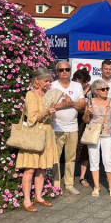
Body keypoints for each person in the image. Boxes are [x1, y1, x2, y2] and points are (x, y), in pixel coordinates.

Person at [15, 68, 58, 212]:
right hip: (33, 135)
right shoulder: (30, 95)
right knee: (30, 168)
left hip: (46, 133)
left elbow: (48, 118)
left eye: (49, 81)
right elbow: (32, 118)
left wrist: (52, 113)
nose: (48, 84)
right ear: (37, 81)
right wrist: (47, 111)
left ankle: (38, 197)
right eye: (46, 81)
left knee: (42, 167)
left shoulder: (46, 95)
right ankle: (26, 201)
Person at [51, 61, 86, 195]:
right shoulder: (52, 86)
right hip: (56, 127)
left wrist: (71, 102)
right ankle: (55, 184)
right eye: (61, 70)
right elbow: (50, 106)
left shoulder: (77, 86)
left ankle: (69, 183)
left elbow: (82, 105)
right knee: (56, 157)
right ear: (57, 72)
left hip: (73, 127)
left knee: (71, 157)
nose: (64, 72)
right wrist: (65, 105)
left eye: (67, 69)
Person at [82, 80, 111, 197]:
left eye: (107, 88)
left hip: (108, 135)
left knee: (108, 161)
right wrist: (87, 112)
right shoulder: (90, 102)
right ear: (96, 91)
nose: (106, 91)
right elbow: (85, 120)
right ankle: (97, 187)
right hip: (94, 135)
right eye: (103, 89)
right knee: (94, 160)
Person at [72, 69, 92, 188]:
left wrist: (85, 93)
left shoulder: (90, 91)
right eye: (77, 82)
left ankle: (82, 176)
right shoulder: (70, 89)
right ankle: (69, 176)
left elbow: (88, 106)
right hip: (72, 122)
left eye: (82, 83)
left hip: (84, 122)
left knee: (84, 150)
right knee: (72, 150)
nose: (78, 85)